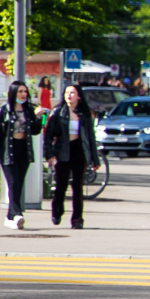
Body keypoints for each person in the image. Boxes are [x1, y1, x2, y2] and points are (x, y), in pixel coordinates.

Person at [41, 82, 96, 229]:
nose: (69, 96)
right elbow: (48, 135)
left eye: (72, 93)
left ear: (78, 96)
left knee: (78, 186)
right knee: (61, 185)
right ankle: (57, 211)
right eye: (66, 93)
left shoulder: (84, 113)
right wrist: (49, 154)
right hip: (63, 150)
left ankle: (77, 218)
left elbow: (91, 137)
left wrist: (94, 159)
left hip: (79, 150)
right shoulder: (58, 112)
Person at [0, 80, 39, 230]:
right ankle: (18, 214)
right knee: (12, 183)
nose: (23, 94)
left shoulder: (28, 110)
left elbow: (37, 130)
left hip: (23, 150)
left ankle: (9, 217)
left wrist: (39, 117)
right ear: (13, 93)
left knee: (18, 184)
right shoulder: (3, 110)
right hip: (8, 150)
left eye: (25, 92)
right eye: (20, 91)